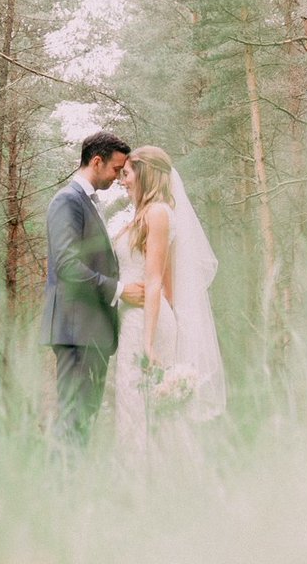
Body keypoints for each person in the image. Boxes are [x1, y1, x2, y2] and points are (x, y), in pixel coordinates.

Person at [110, 145, 226, 453]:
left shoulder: (159, 213)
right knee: (131, 401)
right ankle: (139, 484)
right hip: (132, 319)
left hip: (146, 322)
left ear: (145, 174)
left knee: (144, 404)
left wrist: (149, 341)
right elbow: (169, 280)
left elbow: (155, 279)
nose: (123, 181)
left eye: (127, 174)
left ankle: (160, 484)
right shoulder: (141, 215)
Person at [40, 131, 144, 448]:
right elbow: (68, 266)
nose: (118, 177)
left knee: (83, 421)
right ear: (96, 161)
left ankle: (73, 490)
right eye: (115, 169)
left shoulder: (86, 202)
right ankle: (61, 491)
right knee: (73, 420)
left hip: (91, 332)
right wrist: (119, 290)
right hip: (76, 331)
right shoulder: (67, 201)